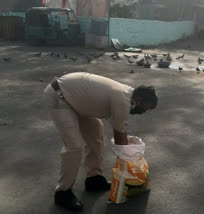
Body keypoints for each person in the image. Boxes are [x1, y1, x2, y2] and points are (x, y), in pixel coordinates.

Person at [43, 72, 158, 211]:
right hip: (59, 97)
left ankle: (94, 179)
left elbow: (120, 125)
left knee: (96, 131)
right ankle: (62, 192)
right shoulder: (122, 99)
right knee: (75, 147)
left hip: (75, 100)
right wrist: (130, 164)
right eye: (146, 108)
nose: (144, 112)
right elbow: (120, 136)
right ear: (139, 100)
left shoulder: (127, 94)